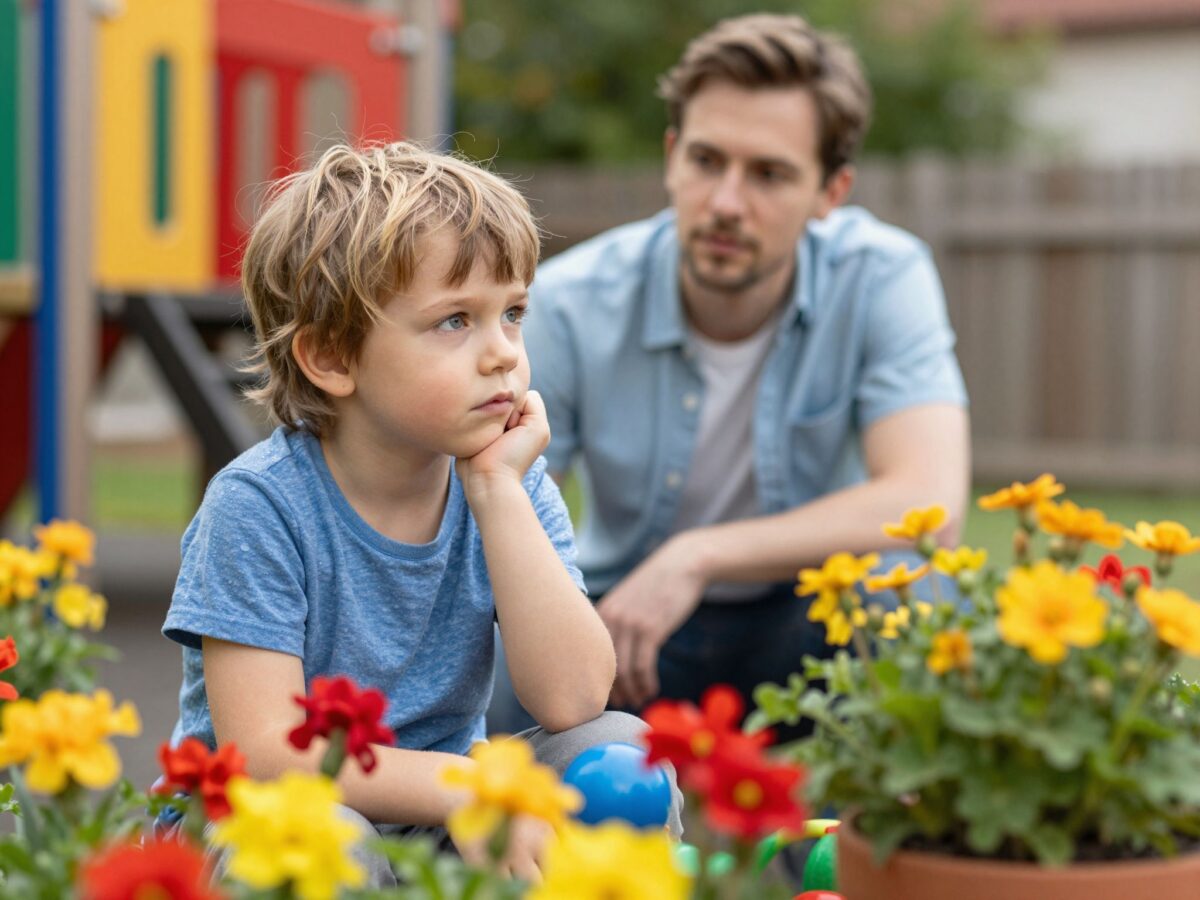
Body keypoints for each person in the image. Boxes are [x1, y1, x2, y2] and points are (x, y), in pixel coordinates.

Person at [160, 142, 678, 887]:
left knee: (619, 753)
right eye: (455, 322)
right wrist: (474, 793)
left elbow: (574, 699)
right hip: (270, 824)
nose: (502, 353)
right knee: (328, 838)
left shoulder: (511, 485)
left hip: (435, 816)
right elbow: (267, 755)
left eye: (512, 314)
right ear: (332, 358)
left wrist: (499, 494)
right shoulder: (260, 506)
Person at [490, 13, 970, 731]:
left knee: (911, 601)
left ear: (830, 193)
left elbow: (927, 503)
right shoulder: (572, 301)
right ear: (672, 156)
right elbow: (500, 508)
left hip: (808, 618)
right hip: (627, 625)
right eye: (708, 161)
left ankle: (884, 835)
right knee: (499, 650)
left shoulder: (881, 276)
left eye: (770, 174)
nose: (725, 203)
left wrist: (699, 555)